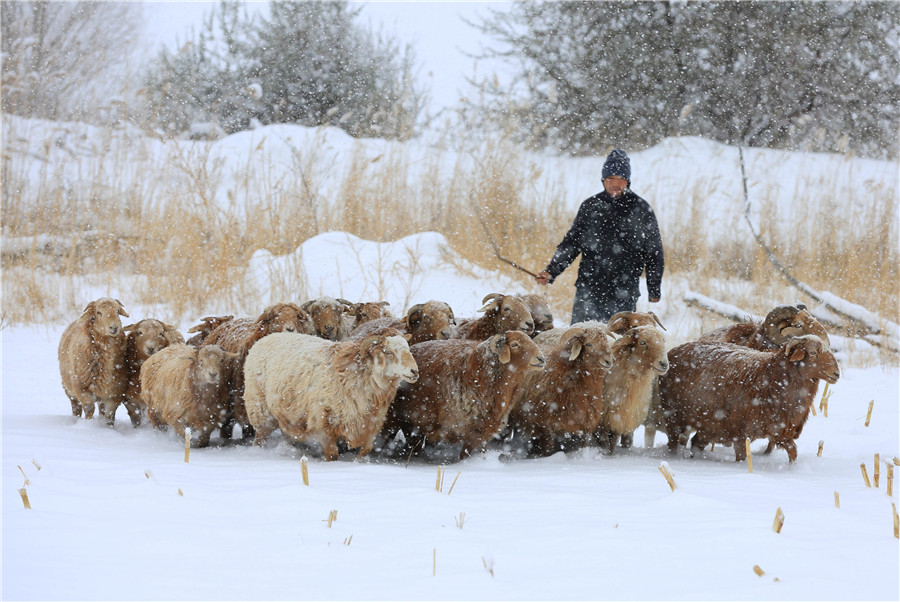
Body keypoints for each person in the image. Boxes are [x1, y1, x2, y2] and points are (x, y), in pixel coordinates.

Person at [535, 149, 664, 324]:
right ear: (603, 180)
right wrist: (552, 271)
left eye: (621, 178)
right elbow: (571, 244)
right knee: (580, 338)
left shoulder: (641, 210)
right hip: (589, 288)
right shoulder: (590, 206)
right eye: (610, 178)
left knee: (615, 343)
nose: (615, 183)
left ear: (628, 180)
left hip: (624, 290)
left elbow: (654, 253)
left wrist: (654, 288)